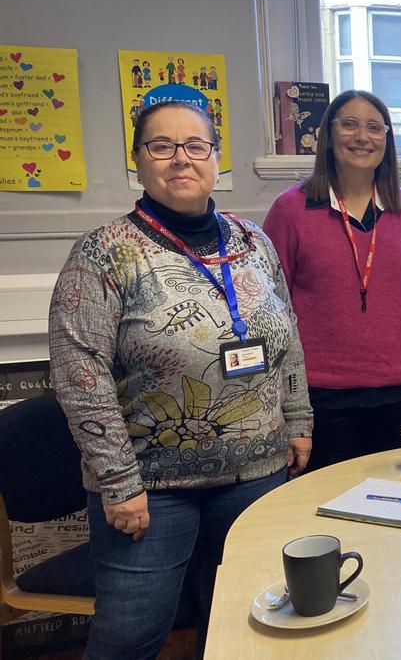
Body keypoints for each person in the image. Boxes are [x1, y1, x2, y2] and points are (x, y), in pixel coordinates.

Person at [47, 101, 312, 659]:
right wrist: (118, 481)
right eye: (161, 147)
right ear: (138, 163)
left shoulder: (253, 242)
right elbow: (80, 374)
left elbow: (286, 336)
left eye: (196, 146)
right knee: (132, 635)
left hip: (255, 473)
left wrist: (297, 419)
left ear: (216, 159)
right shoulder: (104, 254)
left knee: (244, 620)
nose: (180, 160)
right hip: (149, 489)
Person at [265, 90, 401, 470]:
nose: (362, 137)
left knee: (395, 500)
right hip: (321, 392)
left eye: (374, 127)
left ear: (386, 140)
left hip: (395, 387)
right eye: (349, 125)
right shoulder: (292, 208)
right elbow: (272, 302)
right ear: (328, 135)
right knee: (325, 505)